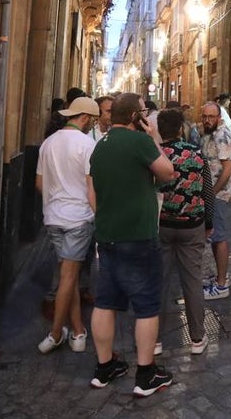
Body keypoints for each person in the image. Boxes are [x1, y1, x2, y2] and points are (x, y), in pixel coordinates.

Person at [86, 92, 176, 395]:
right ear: (136, 116)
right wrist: (154, 138)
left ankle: (104, 366)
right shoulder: (139, 142)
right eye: (144, 112)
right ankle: (146, 374)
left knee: (105, 302)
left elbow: (92, 195)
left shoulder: (100, 146)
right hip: (138, 235)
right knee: (147, 305)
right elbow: (168, 172)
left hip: (108, 235)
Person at [35, 96, 99, 355]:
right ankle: (55, 333)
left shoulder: (48, 143)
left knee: (67, 277)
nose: (90, 124)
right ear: (84, 118)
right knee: (68, 277)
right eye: (90, 120)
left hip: (53, 218)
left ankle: (79, 330)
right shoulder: (87, 145)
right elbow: (91, 188)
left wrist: (55, 201)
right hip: (78, 219)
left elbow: (39, 184)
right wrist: (100, 218)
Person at [155, 109, 213, 355]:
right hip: (192, 225)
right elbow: (207, 192)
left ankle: (154, 340)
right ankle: (198, 339)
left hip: (161, 226)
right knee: (192, 281)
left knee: (159, 281)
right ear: (180, 128)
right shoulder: (196, 154)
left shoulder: (155, 155)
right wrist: (208, 223)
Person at [200, 102, 231, 300]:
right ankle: (221, 278)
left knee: (219, 236)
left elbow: (227, 168)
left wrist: (213, 193)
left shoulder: (222, 136)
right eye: (204, 116)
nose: (207, 120)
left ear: (219, 117)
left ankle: (222, 285)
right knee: (215, 236)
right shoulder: (209, 134)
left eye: (211, 117)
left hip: (218, 195)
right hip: (212, 193)